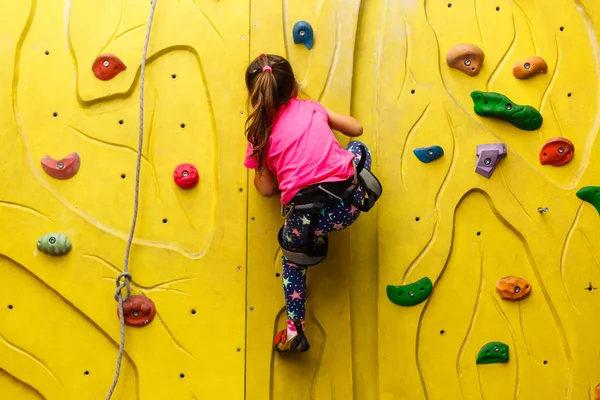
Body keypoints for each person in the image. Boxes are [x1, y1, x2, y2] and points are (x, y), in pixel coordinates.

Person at [243, 53, 382, 353]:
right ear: (293, 87)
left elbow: (266, 190)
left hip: (306, 222)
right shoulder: (311, 108)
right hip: (348, 203)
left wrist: (263, 168)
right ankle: (362, 186)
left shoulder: (258, 135)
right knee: (357, 148)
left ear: (255, 96)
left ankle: (295, 329)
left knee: (293, 265)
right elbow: (356, 130)